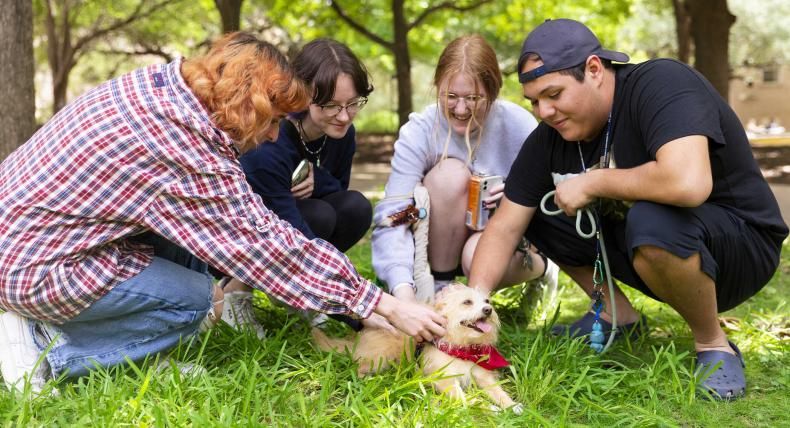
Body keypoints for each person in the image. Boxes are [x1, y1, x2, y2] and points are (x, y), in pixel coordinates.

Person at [0, 32, 445, 394]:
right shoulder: (183, 148)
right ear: (244, 106)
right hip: (34, 264)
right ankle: (45, 349)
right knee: (194, 302)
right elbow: (265, 245)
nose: (274, 137)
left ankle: (125, 343)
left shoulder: (164, 88)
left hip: (33, 237)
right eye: (271, 121)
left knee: (194, 263)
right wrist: (376, 302)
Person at [468, 18, 788, 400]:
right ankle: (616, 316)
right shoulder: (549, 140)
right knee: (539, 206)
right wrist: (471, 307)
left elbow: (687, 183)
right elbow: (505, 225)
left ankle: (713, 344)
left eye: (554, 94)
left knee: (651, 218)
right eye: (534, 101)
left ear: (594, 69)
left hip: (741, 247)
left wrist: (593, 181)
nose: (544, 111)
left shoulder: (661, 83)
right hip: (653, 247)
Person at [371, 34, 557, 303]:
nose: (460, 109)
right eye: (450, 96)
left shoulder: (519, 125)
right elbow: (393, 216)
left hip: (501, 241)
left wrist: (517, 197)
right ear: (437, 87)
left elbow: (554, 198)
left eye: (473, 98)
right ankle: (440, 287)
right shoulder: (419, 132)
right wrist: (402, 288)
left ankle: (543, 270)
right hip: (436, 240)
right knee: (448, 175)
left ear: (493, 92)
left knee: (475, 253)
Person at [221, 39, 374, 333]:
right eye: (331, 105)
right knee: (319, 216)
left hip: (295, 221)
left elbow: (338, 191)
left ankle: (298, 292)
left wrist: (317, 180)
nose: (344, 116)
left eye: (353, 104)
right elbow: (286, 227)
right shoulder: (271, 141)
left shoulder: (343, 133)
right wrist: (360, 314)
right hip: (245, 239)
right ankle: (234, 293)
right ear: (304, 94)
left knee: (354, 207)